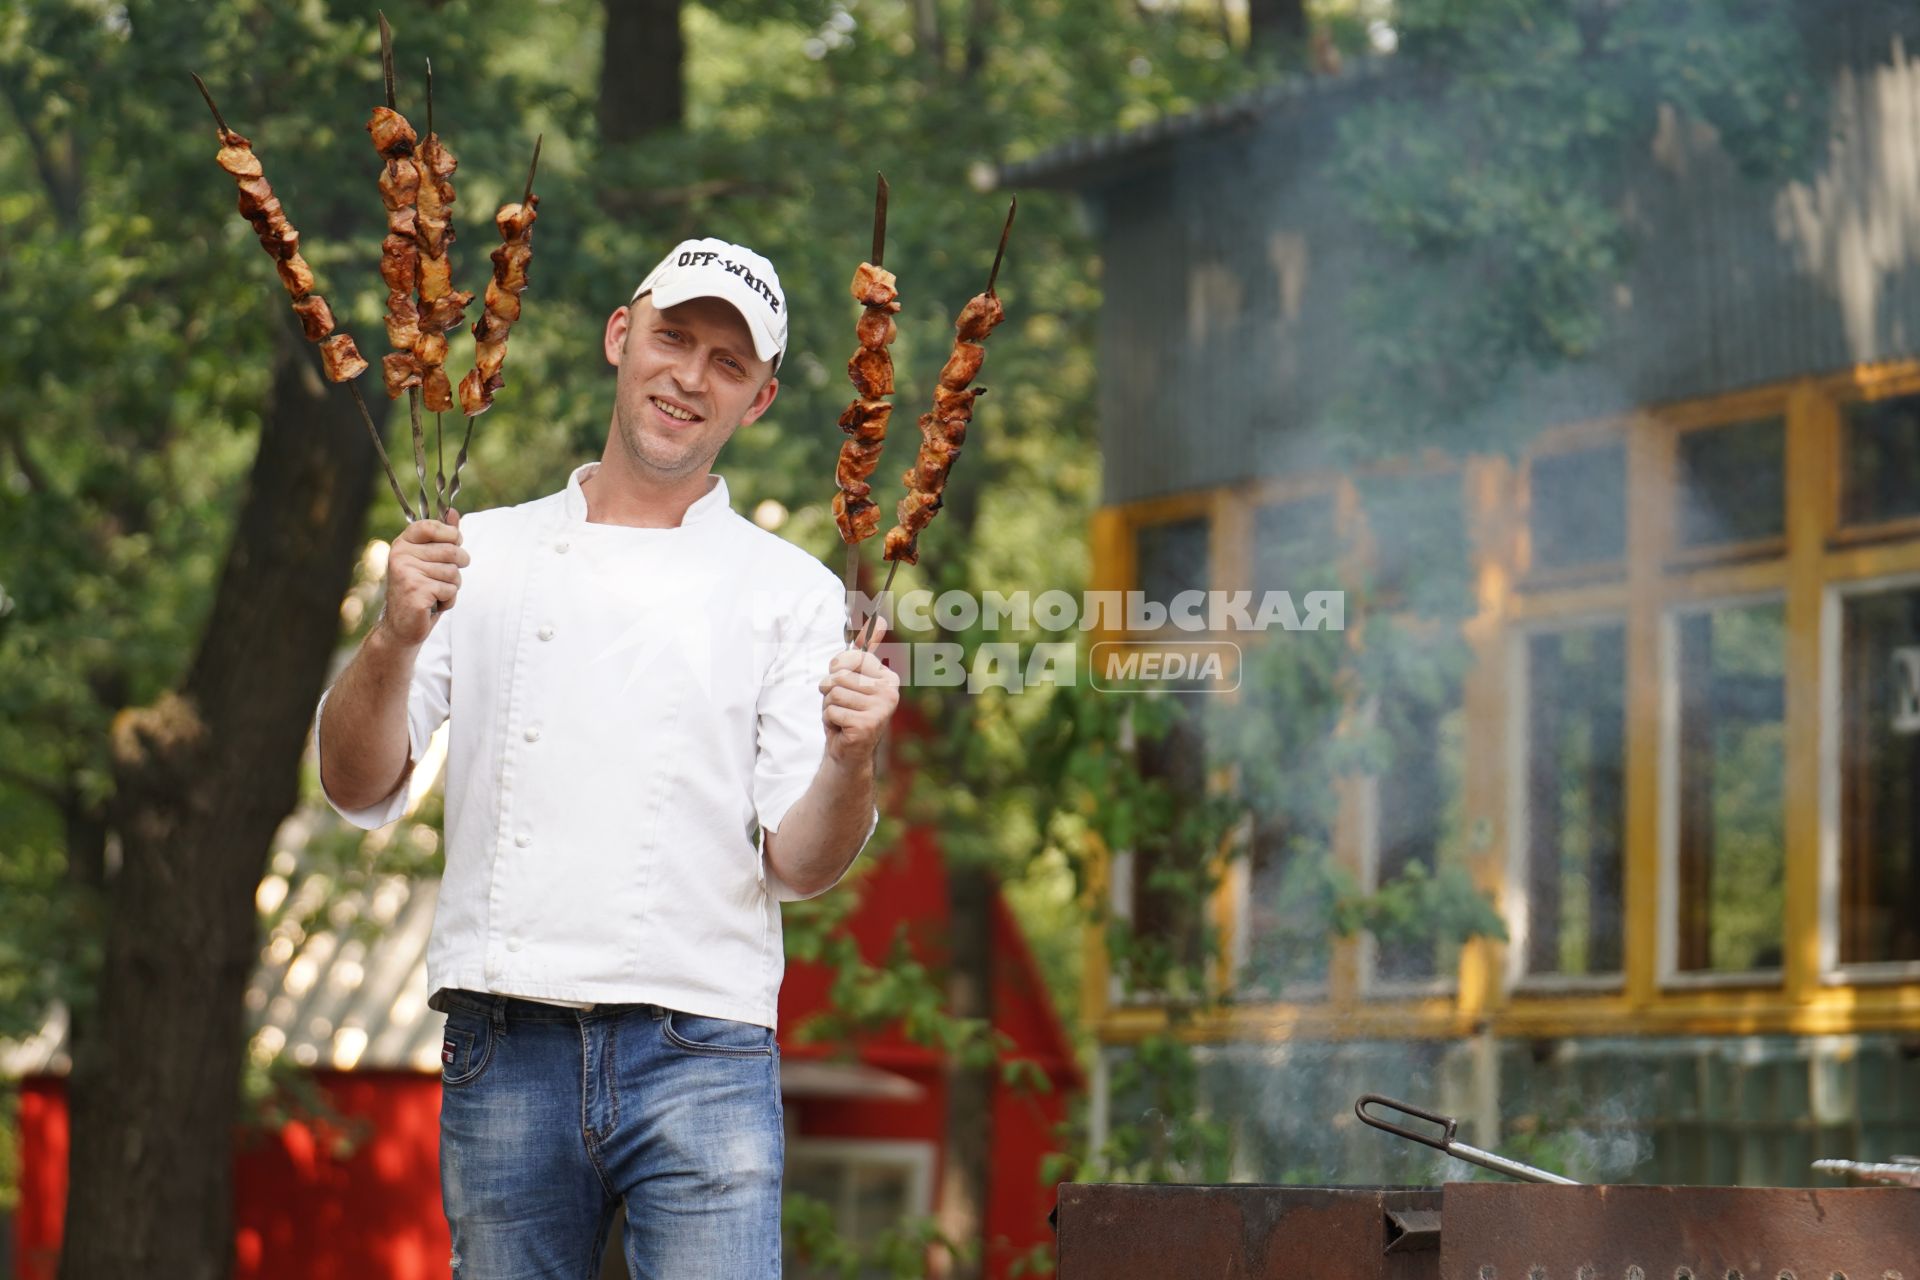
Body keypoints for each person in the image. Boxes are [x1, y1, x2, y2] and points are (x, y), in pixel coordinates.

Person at [313, 237, 900, 1279]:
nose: (690, 376)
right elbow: (354, 783)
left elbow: (802, 864)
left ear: (758, 400)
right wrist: (393, 635)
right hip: (506, 1040)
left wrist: (853, 758)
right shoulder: (475, 553)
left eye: (728, 362)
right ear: (620, 337)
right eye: (675, 337)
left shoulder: (792, 590)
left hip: (703, 1046)